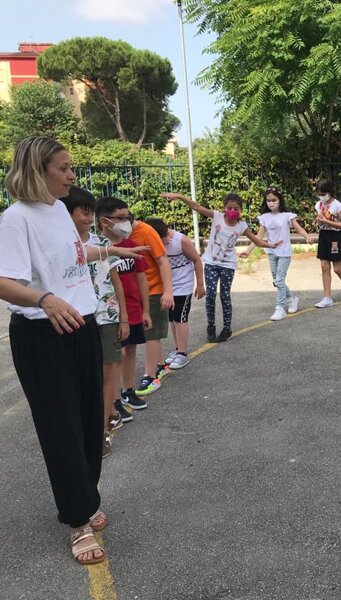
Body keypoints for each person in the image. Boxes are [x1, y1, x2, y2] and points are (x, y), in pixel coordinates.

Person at [0, 136, 146, 565]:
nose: (71, 175)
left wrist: (112, 250)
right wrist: (43, 298)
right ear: (37, 170)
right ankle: (78, 520)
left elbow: (74, 255)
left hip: (82, 325)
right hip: (43, 335)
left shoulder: (60, 215)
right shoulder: (15, 219)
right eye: (63, 168)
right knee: (60, 428)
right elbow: (4, 280)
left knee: (89, 423)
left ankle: (85, 496)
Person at [160, 192, 281, 342]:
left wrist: (271, 245)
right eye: (229, 207)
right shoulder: (216, 216)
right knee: (210, 296)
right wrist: (179, 196)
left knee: (225, 296)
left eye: (236, 208)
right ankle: (210, 327)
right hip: (211, 263)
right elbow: (196, 207)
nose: (232, 211)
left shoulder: (242, 226)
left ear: (240, 210)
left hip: (227, 266)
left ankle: (227, 328)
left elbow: (256, 241)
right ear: (224, 208)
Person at [62, 187, 129, 458]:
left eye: (91, 212)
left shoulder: (102, 243)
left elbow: (116, 282)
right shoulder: (62, 244)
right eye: (84, 212)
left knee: (108, 374)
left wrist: (124, 317)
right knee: (82, 378)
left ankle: (100, 432)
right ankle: (93, 424)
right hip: (76, 318)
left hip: (107, 317)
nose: (89, 217)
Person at [96, 196, 152, 414]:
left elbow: (141, 278)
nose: (126, 222)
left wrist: (146, 310)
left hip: (135, 310)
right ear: (104, 221)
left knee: (130, 350)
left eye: (127, 217)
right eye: (120, 218)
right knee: (114, 355)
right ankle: (114, 399)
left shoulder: (131, 246)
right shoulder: (99, 249)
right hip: (112, 313)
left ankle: (128, 390)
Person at [239, 186, 313, 321]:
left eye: (274, 200)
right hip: (271, 252)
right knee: (276, 281)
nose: (271, 203)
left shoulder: (287, 216)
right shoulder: (264, 218)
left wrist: (307, 237)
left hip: (284, 253)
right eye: (268, 201)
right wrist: (248, 251)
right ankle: (291, 298)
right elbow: (258, 237)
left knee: (279, 280)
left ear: (280, 200)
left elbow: (298, 228)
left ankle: (280, 308)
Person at [145, 218, 205, 368]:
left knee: (180, 318)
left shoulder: (181, 240)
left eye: (167, 234)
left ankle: (183, 353)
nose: (168, 239)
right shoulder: (152, 243)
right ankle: (178, 349)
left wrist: (200, 285)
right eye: (164, 237)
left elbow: (197, 260)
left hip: (183, 286)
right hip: (168, 287)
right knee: (172, 319)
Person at [126, 210, 174, 397]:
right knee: (146, 333)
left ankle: (151, 376)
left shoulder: (146, 232)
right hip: (134, 293)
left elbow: (163, 262)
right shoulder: (119, 233)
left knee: (151, 334)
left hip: (153, 291)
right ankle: (160, 365)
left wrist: (168, 292)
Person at [313, 178, 341, 308]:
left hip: (335, 237)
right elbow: (321, 219)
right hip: (323, 235)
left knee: (337, 268)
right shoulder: (319, 205)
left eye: (323, 193)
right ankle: (327, 297)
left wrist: (328, 222)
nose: (321, 196)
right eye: (319, 194)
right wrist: (320, 220)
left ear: (330, 192)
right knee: (324, 266)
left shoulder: (337, 205)